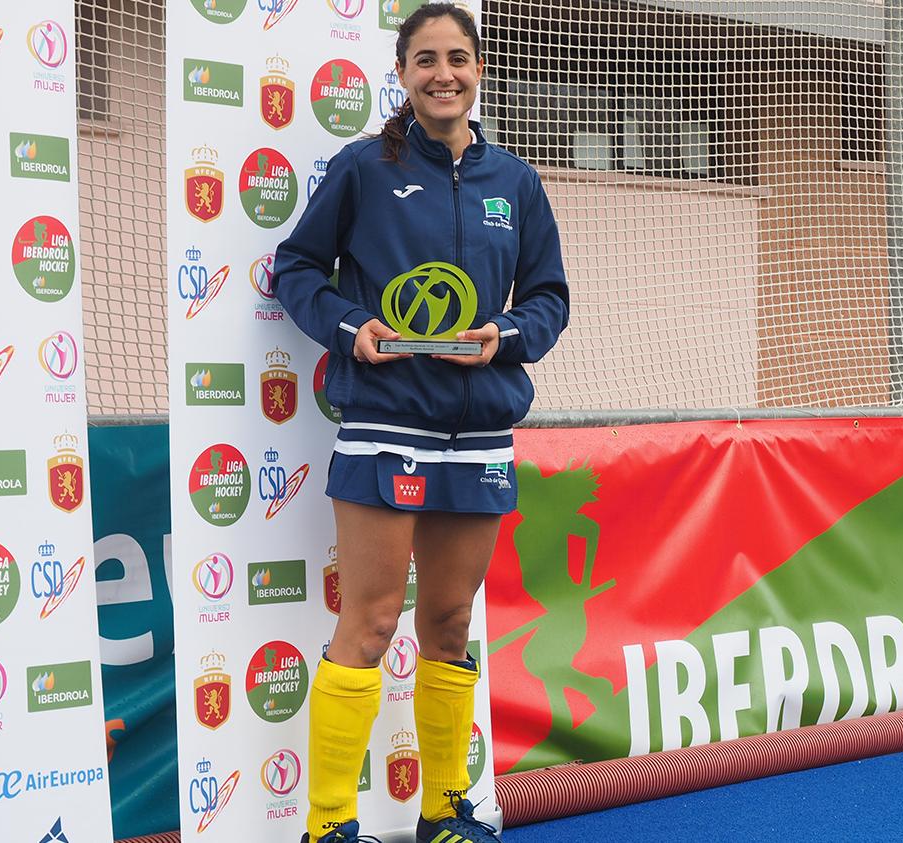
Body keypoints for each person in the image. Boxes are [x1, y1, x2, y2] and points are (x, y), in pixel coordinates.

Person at [273, 4, 569, 842]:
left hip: (476, 433)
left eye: (460, 58)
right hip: (386, 424)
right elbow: (295, 267)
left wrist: (504, 336)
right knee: (368, 622)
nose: (445, 73)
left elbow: (549, 299)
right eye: (426, 59)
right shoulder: (364, 168)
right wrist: (347, 327)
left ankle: (445, 807)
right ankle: (328, 822)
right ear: (401, 75)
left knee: (447, 622)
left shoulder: (516, 181)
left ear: (479, 71)